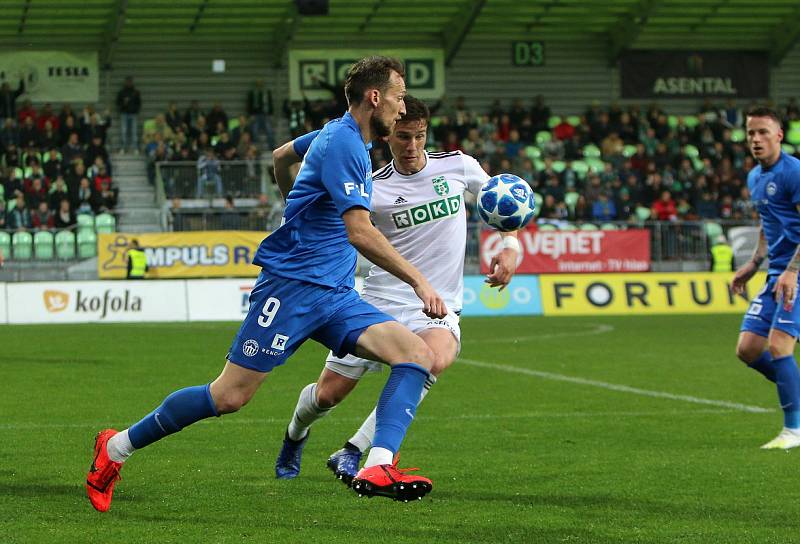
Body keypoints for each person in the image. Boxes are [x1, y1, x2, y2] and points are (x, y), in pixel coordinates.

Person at [86, 56, 446, 512]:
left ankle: (378, 464)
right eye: (397, 97)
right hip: (291, 289)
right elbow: (360, 231)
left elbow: (281, 157)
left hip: (334, 294)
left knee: (418, 355)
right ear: (374, 97)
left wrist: (293, 203)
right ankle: (115, 448)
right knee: (229, 396)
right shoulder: (345, 145)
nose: (401, 108)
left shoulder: (340, 135)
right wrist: (419, 281)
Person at [272, 96, 520, 485]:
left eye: (420, 136)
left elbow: (502, 204)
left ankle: (357, 453)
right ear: (388, 137)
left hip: (435, 304)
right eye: (404, 137)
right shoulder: (374, 187)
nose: (412, 146)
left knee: (432, 360)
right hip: (379, 302)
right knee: (327, 396)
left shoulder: (458, 165)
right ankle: (295, 434)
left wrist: (510, 246)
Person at [732, 106, 800, 449]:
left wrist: (792, 270)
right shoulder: (754, 177)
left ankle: (794, 430)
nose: (756, 139)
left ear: (779, 135)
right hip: (776, 272)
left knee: (778, 345)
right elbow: (768, 223)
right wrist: (753, 263)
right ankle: (796, 393)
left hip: (797, 271)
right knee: (748, 349)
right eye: (750, 133)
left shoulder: (795, 173)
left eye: (762, 132)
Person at [247, 79, 275, 150]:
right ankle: (256, 148)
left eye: (261, 83)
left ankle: (271, 147)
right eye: (258, 83)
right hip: (255, 114)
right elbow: (249, 104)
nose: (259, 85)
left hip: (265, 114)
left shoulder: (267, 92)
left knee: (270, 131)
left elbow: (270, 103)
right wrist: (250, 114)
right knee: (254, 131)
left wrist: (271, 114)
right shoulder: (252, 92)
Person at [116, 76, 141, 153]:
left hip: (133, 114)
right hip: (124, 114)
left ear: (132, 82)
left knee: (134, 131)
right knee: (124, 131)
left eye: (130, 82)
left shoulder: (136, 92)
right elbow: (117, 103)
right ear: (125, 82)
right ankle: (123, 148)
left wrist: (135, 110)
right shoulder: (122, 92)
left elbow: (139, 103)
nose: (129, 83)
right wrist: (124, 104)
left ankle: (135, 148)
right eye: (127, 82)